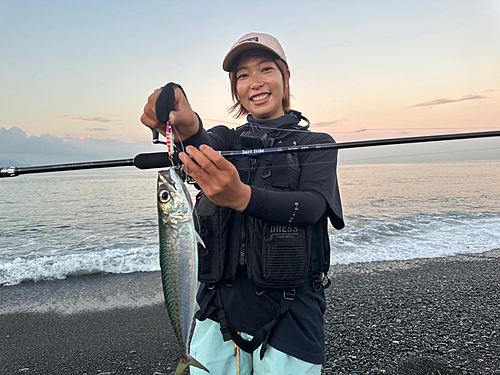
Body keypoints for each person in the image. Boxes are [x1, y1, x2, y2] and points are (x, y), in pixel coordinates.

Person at [141, 32, 344, 375]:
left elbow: (311, 206)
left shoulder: (317, 144)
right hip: (219, 309)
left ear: (286, 76)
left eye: (266, 69)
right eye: (243, 76)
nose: (255, 82)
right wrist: (186, 123)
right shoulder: (227, 138)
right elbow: (200, 142)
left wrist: (241, 197)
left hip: (292, 314)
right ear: (235, 88)